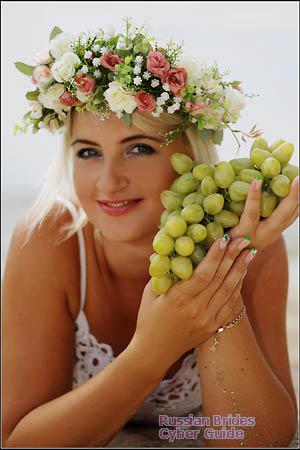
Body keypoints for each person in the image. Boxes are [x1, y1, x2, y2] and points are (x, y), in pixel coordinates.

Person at [3, 20, 299, 448]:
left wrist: (220, 283)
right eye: (88, 152)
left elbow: (258, 440)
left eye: (138, 148)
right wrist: (152, 351)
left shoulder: (251, 249)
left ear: (190, 158)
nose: (107, 182)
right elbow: (18, 441)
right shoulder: (49, 239)